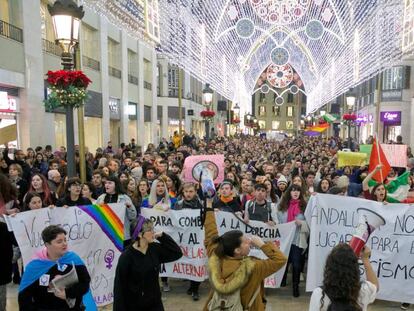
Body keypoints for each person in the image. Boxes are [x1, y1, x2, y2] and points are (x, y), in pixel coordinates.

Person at [203, 197, 287, 310]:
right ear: (237, 251)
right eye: (245, 241)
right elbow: (280, 260)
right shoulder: (253, 268)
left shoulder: (215, 255)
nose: (249, 240)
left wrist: (209, 205)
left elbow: (210, 232)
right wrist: (262, 245)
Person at [113, 215, 182, 311]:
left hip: (155, 304)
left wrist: (163, 236)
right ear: (140, 234)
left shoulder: (154, 249)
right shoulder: (126, 257)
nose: (153, 232)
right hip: (135, 306)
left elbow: (177, 253)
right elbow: (119, 289)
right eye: (150, 230)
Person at [18, 225, 95, 311]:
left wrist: (68, 293)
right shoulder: (35, 265)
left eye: (65, 240)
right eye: (59, 242)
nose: (64, 244)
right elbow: (24, 296)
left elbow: (85, 284)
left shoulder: (73, 259)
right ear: (47, 244)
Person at [309, 244, 378, 311]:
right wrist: (365, 258)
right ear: (355, 268)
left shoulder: (319, 294)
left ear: (329, 268)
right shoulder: (363, 291)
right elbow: (375, 286)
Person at [277, 184, 309, 297]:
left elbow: (310, 225)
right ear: (289, 192)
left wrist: (302, 223)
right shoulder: (282, 207)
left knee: (296, 264)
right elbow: (278, 222)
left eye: (298, 191)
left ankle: (295, 287)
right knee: (284, 261)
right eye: (293, 190)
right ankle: (283, 279)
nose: (295, 192)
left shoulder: (305, 207)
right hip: (285, 240)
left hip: (297, 240)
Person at [173, 182, 203, 300]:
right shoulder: (178, 205)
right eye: (186, 192)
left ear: (195, 192)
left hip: (197, 239)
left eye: (191, 191)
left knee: (197, 263)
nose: (188, 194)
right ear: (183, 193)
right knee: (187, 262)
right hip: (184, 239)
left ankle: (195, 289)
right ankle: (191, 286)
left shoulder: (201, 204)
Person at [96, 176, 137, 246]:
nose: (107, 185)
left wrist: (129, 206)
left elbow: (133, 217)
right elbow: (96, 218)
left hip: (122, 235)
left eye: (110, 183)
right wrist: (98, 209)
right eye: (106, 183)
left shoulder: (124, 198)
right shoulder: (101, 198)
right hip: (106, 235)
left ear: (116, 185)